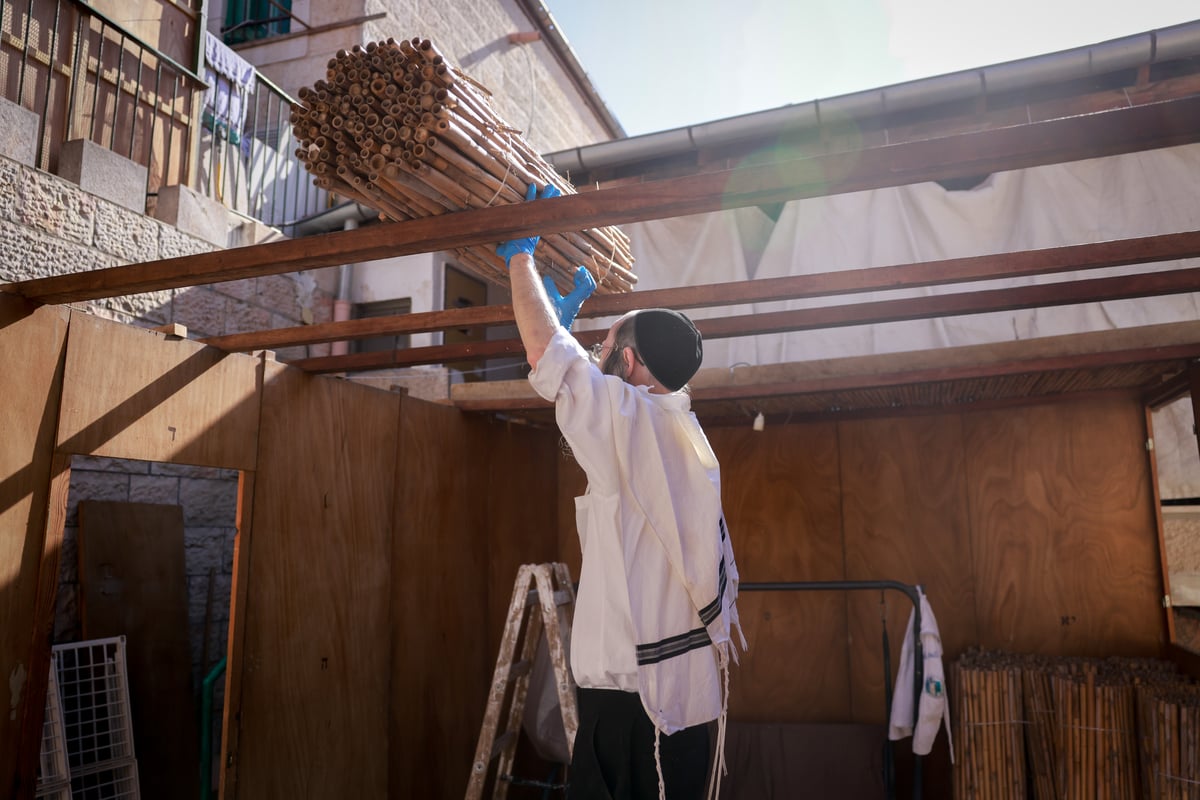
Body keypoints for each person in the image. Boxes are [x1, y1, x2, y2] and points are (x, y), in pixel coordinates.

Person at [498, 183, 746, 800]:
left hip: (639, 717)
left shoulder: (632, 423)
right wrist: (571, 326)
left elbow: (546, 356)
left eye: (605, 345)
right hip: (687, 707)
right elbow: (581, 401)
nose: (595, 351)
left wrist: (519, 259)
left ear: (631, 364)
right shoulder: (678, 433)